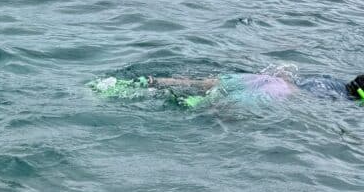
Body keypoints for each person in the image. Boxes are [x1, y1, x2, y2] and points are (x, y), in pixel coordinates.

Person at [89, 71, 364, 109]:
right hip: (280, 93)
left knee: (203, 84)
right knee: (215, 105)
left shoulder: (331, 81)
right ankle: (192, 105)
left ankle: (149, 81)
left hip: (266, 77)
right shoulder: (340, 99)